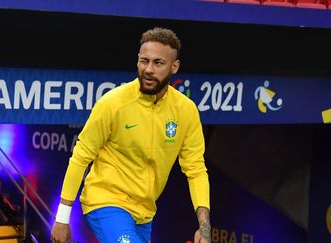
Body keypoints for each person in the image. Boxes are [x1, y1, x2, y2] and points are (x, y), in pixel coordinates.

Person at [51, 27, 211, 243]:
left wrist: (204, 225)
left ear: (175, 66)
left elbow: (195, 169)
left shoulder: (186, 110)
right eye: (143, 61)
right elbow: (81, 157)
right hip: (105, 202)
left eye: (158, 63)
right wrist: (62, 218)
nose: (148, 69)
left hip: (145, 212)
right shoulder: (113, 103)